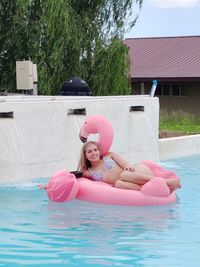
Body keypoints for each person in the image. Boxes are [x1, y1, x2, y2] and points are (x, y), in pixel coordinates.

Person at [77, 141, 181, 192]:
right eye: (89, 152)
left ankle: (164, 182)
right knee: (118, 183)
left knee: (124, 175)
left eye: (95, 150)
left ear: (99, 151)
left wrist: (127, 166)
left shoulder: (109, 155)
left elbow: (125, 163)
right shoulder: (88, 172)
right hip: (127, 183)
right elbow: (76, 176)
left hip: (136, 173)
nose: (93, 153)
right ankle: (158, 189)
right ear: (85, 155)